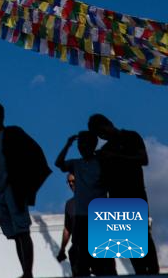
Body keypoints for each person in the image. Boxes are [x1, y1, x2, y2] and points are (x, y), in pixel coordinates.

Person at [0, 103, 51, 278]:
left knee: (23, 231)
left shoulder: (12, 133)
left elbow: (32, 153)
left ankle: (28, 272)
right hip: (2, 192)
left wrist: (20, 180)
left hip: (15, 189)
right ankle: (24, 270)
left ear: (1, 116)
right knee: (15, 233)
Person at [89, 114, 159, 275]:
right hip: (116, 195)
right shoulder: (105, 150)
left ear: (108, 124)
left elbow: (143, 159)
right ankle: (141, 272)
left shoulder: (131, 136)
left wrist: (115, 157)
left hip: (135, 191)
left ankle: (153, 272)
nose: (102, 136)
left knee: (142, 233)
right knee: (128, 238)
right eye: (99, 134)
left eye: (101, 131)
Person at [56, 131, 115, 276]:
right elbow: (59, 163)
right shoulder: (77, 164)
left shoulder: (102, 163)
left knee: (103, 259)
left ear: (92, 145)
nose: (81, 147)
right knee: (81, 258)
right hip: (82, 217)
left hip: (100, 216)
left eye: (84, 143)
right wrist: (68, 144)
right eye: (79, 144)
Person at [55, 173, 76, 271]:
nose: (71, 184)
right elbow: (67, 229)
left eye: (73, 181)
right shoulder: (69, 204)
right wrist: (62, 249)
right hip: (78, 249)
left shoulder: (94, 198)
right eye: (69, 182)